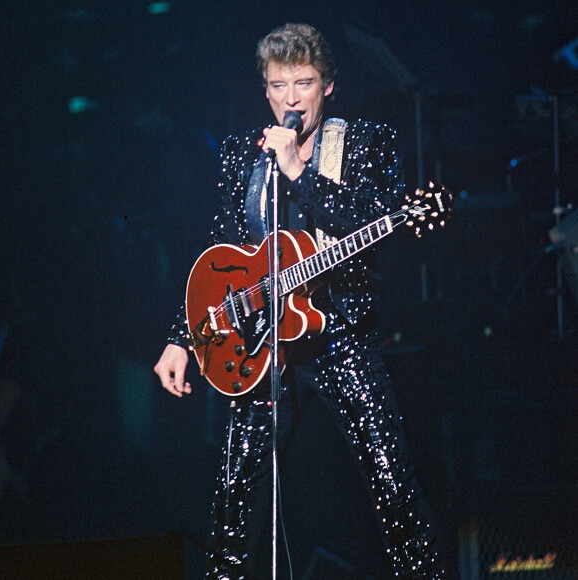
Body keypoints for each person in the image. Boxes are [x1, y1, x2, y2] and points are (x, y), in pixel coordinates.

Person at [154, 23, 445, 579]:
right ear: (265, 90)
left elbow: (368, 225)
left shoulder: (365, 143)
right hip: (262, 343)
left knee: (393, 489)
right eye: (279, 85)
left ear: (328, 86)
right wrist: (181, 337)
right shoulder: (243, 152)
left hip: (340, 339)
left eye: (304, 83)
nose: (291, 98)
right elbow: (221, 251)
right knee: (234, 504)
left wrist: (298, 174)